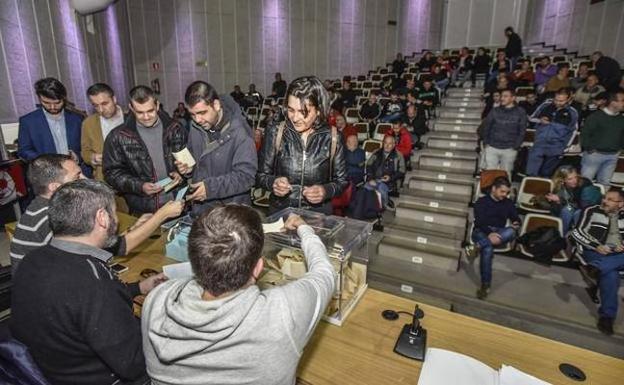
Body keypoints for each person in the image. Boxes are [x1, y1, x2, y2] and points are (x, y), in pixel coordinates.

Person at [142, 207, 335, 384]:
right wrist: (303, 228)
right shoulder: (282, 313)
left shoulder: (157, 299)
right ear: (258, 268)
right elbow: (325, 273)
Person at [11, 179, 167, 384]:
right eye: (113, 212)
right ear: (102, 218)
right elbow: (134, 364)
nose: (116, 220)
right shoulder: (93, 285)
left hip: (54, 367)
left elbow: (77, 304)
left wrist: (138, 287)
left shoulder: (34, 258)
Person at [9, 154, 183, 273]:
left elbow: (94, 246)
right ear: (55, 187)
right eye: (77, 177)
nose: (85, 180)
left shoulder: (45, 206)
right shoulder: (48, 218)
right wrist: (161, 215)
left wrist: (135, 229)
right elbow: (120, 248)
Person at [256, 76, 347, 214]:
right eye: (291, 110)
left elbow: (342, 181)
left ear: (318, 111)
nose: (295, 118)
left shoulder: (334, 137)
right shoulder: (275, 131)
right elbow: (260, 175)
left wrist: (325, 191)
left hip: (318, 216)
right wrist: (273, 183)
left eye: (303, 112)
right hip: (281, 213)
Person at [175, 81, 257, 216]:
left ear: (216, 105)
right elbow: (195, 157)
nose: (198, 120)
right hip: (201, 210)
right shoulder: (196, 126)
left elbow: (246, 177)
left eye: (202, 113)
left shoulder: (240, 132)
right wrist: (188, 169)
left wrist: (210, 188)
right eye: (193, 114)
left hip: (231, 213)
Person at [103, 85, 187, 214]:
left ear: (157, 105)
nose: (146, 117)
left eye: (150, 111)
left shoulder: (175, 128)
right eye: (140, 112)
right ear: (131, 108)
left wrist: (182, 173)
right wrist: (139, 186)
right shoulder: (117, 136)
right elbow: (112, 173)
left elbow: (190, 161)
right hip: (144, 209)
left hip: (178, 203)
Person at [571, 189, 624, 335]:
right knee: (611, 276)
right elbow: (576, 232)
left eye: (610, 199)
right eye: (605, 198)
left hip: (618, 255)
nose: (604, 201)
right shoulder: (592, 210)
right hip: (594, 252)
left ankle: (596, 269)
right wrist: (596, 246)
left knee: (610, 268)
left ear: (621, 204)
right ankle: (607, 317)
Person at [17, 77, 88, 175]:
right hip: (46, 176)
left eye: (57, 103)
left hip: (76, 173)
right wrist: (45, 161)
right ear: (39, 98)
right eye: (46, 103)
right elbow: (24, 151)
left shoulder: (77, 119)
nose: (52, 107)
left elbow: (86, 147)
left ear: (64, 98)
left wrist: (78, 156)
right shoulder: (28, 121)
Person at [466, 176, 520, 300]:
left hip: (500, 232)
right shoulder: (481, 202)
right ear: (494, 189)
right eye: (502, 191)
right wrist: (490, 233)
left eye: (507, 192)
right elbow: (479, 222)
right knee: (488, 249)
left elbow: (515, 218)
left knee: (511, 231)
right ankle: (486, 285)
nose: (505, 195)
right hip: (481, 230)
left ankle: (476, 247)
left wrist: (516, 223)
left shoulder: (508, 203)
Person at [526, 88, 578, 177]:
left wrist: (565, 147)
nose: (558, 102)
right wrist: (540, 120)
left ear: (568, 99)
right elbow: (531, 118)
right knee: (531, 173)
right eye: (556, 100)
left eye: (561, 101)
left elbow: (573, 131)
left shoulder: (572, 112)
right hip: (540, 143)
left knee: (546, 174)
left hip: (557, 147)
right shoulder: (545, 105)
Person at [82, 83, 125, 181]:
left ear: (114, 99)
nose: (101, 110)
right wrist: (93, 158)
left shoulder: (132, 118)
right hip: (104, 181)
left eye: (105, 104)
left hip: (132, 181)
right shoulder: (88, 123)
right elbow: (85, 152)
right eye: (96, 106)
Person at [580, 90, 624, 186]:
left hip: (612, 156)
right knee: (585, 183)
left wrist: (619, 149)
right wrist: (590, 149)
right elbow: (585, 134)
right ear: (613, 103)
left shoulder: (621, 119)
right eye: (622, 100)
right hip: (594, 155)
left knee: (605, 183)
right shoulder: (595, 117)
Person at [480, 89, 527, 178]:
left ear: (513, 98)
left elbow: (522, 130)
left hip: (510, 148)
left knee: (505, 174)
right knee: (489, 173)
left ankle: (504, 192)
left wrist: (516, 145)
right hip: (492, 146)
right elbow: (486, 127)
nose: (502, 98)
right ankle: (488, 191)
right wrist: (486, 142)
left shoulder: (520, 112)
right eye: (501, 96)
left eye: (505, 96)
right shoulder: (495, 110)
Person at [545, 166, 594, 234]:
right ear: (562, 180)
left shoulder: (585, 183)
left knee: (574, 212)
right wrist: (558, 202)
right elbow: (554, 209)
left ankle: (579, 235)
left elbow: (583, 204)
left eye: (575, 177)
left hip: (583, 208)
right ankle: (561, 235)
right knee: (567, 210)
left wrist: (561, 200)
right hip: (569, 206)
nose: (575, 180)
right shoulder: (558, 186)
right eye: (570, 179)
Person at [365, 135, 406, 208]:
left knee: (381, 187)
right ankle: (371, 206)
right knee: (366, 187)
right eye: (385, 143)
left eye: (390, 144)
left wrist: (390, 177)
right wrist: (370, 178)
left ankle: (384, 204)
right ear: (383, 143)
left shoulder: (399, 156)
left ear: (393, 145)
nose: (387, 146)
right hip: (375, 179)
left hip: (390, 182)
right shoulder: (376, 153)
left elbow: (402, 171)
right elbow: (369, 166)